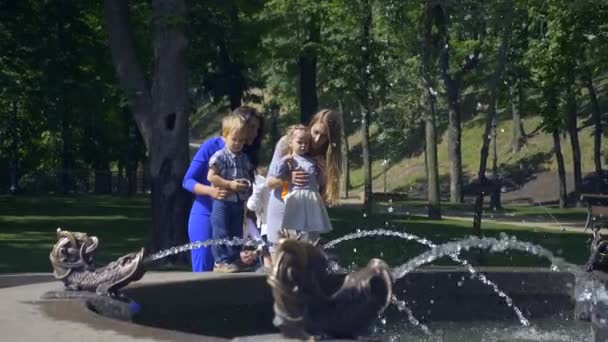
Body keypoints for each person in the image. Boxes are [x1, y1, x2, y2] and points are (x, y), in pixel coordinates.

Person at [182, 106, 263, 272]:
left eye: (258, 129)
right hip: (205, 211)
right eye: (252, 127)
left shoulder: (243, 154)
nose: (255, 133)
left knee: (230, 265)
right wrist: (211, 191)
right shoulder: (212, 146)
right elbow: (187, 181)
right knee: (204, 265)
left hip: (233, 212)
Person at [265, 109, 343, 256]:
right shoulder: (288, 142)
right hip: (282, 205)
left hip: (307, 211)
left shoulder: (327, 156)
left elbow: (323, 195)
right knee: (279, 258)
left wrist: (324, 175)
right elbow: (269, 183)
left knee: (305, 260)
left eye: (325, 137)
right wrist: (287, 178)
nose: (317, 139)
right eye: (316, 132)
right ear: (311, 125)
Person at [270, 125, 332, 241]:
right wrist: (283, 162)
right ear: (290, 143)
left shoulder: (313, 161)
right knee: (294, 226)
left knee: (311, 229)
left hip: (311, 198)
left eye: (306, 143)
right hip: (296, 197)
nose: (303, 146)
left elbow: (319, 181)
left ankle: (311, 247)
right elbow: (277, 174)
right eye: (299, 142)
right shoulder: (290, 160)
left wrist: (322, 171)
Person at [207, 114, 253, 272]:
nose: (238, 143)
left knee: (236, 231)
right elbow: (211, 177)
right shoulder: (220, 156)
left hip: (238, 202)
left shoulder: (243, 158)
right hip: (223, 201)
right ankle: (220, 261)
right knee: (221, 231)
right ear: (224, 136)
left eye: (242, 140)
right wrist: (229, 184)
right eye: (234, 139)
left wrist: (246, 184)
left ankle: (233, 259)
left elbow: (246, 175)